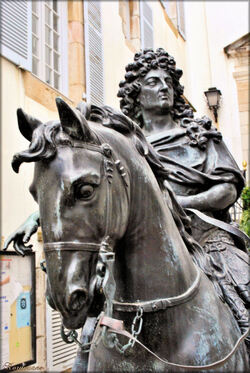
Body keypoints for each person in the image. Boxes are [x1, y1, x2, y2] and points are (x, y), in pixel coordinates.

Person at [117, 48, 249, 335]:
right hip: (144, 244)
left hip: (206, 237)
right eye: (153, 82)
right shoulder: (126, 146)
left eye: (168, 82)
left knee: (243, 298)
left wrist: (182, 203)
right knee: (93, 327)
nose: (164, 87)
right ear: (136, 94)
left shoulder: (199, 135)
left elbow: (228, 188)